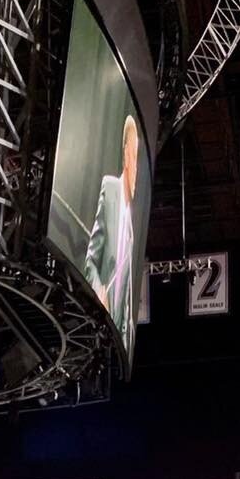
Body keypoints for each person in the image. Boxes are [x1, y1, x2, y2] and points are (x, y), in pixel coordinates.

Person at [84, 114, 141, 354]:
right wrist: (99, 292)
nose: (136, 167)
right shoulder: (110, 187)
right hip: (97, 318)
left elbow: (128, 306)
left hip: (115, 333)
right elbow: (91, 261)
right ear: (126, 154)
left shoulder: (131, 228)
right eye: (134, 157)